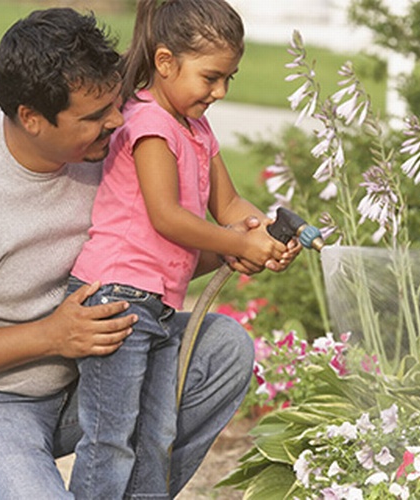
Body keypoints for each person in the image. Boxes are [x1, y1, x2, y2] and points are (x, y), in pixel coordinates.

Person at [0, 7, 292, 499]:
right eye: (94, 117)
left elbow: (149, 256)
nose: (118, 120)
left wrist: (238, 249)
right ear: (31, 119)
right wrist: (51, 336)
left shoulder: (113, 147)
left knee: (222, 350)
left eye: (115, 102)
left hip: (89, 371)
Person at [65, 0, 293, 498]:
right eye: (211, 77)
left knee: (157, 436)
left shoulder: (197, 130)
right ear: (166, 62)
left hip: (157, 307)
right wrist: (238, 241)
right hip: (116, 302)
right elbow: (167, 217)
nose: (221, 91)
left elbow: (229, 203)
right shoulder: (148, 123)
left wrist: (267, 234)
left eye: (229, 78)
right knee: (111, 440)